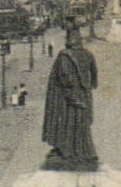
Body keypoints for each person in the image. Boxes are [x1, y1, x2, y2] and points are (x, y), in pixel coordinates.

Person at [41, 25, 99, 171]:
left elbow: (66, 78)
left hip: (68, 99)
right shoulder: (88, 55)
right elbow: (95, 79)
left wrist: (73, 95)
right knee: (81, 125)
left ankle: (69, 152)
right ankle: (83, 151)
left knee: (68, 123)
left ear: (69, 40)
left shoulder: (65, 56)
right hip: (85, 96)